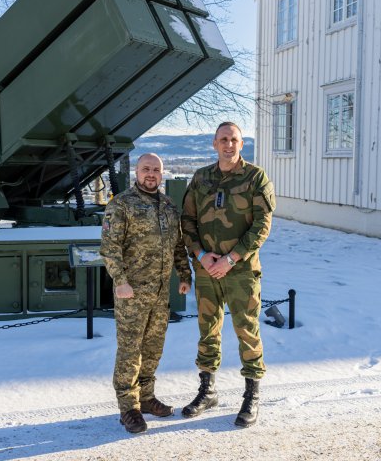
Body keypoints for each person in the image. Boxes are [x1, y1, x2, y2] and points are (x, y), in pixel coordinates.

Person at [180, 122, 275, 428]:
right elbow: (188, 220)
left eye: (234, 139)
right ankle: (207, 390)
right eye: (223, 139)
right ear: (214, 143)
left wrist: (232, 258)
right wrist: (201, 256)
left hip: (241, 271)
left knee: (246, 329)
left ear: (241, 143)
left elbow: (262, 225)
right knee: (207, 328)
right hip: (207, 269)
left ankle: (251, 395)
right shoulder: (201, 177)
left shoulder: (255, 177)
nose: (228, 144)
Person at [100, 153, 192, 434]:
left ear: (161, 174)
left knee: (153, 348)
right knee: (130, 351)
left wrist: (184, 274)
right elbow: (109, 246)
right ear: (137, 173)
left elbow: (177, 245)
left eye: (155, 170)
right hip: (132, 293)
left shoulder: (167, 205)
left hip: (160, 292)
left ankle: (147, 398)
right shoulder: (122, 204)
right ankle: (128, 407)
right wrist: (120, 281)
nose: (150, 174)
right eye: (145, 169)